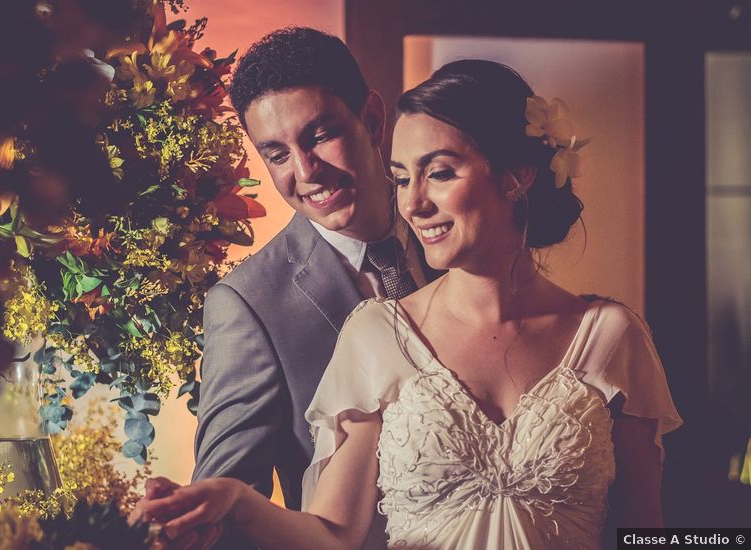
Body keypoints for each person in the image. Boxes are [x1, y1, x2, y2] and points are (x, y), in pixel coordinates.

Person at [138, 60, 683, 549]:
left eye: (440, 172)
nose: (414, 202)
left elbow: (645, 533)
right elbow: (331, 534)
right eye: (402, 178)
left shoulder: (611, 335)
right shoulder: (377, 334)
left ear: (516, 177)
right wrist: (234, 498)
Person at [136, 27, 441, 549]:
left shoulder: (456, 229)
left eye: (320, 135)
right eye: (276, 154)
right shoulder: (248, 304)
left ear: (371, 118)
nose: (305, 171)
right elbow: (228, 509)